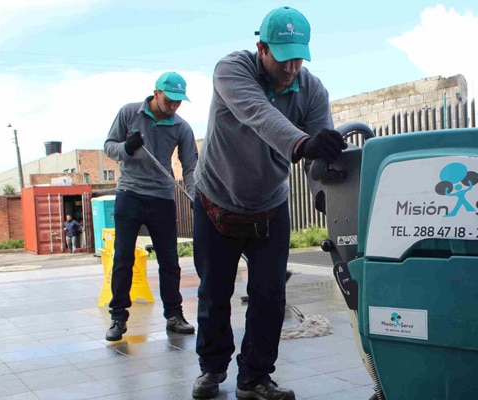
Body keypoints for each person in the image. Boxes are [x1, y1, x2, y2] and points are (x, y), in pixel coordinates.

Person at [191, 6, 346, 400]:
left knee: (270, 296)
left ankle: (254, 378)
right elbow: (258, 114)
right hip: (216, 201)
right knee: (214, 293)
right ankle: (212, 368)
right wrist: (300, 142)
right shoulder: (231, 71)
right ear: (261, 48)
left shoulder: (312, 90)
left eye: (299, 57)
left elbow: (320, 156)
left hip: (270, 207)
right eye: (283, 56)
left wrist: (325, 195)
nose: (292, 67)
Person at [102, 71, 198, 341]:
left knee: (169, 260)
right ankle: (118, 318)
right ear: (156, 94)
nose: (173, 107)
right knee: (123, 258)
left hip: (162, 197)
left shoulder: (181, 127)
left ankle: (174, 315)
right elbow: (109, 147)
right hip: (130, 193)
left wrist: (193, 197)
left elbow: (190, 166)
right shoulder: (129, 113)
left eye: (178, 102)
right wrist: (127, 148)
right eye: (169, 100)